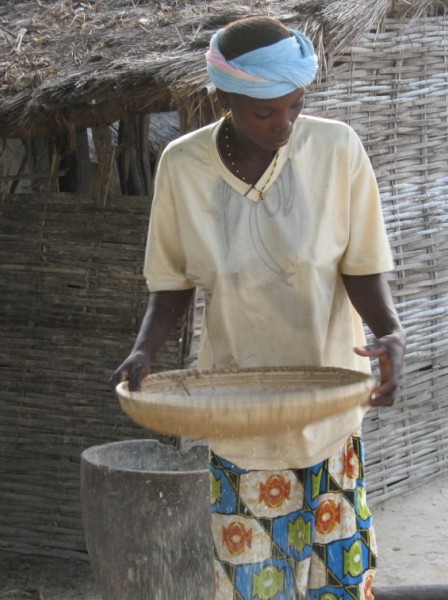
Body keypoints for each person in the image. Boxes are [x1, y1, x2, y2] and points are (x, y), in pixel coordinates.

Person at [110, 15, 405, 599]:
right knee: (254, 588)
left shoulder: (336, 149)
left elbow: (360, 263)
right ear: (223, 99)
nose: (284, 124)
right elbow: (172, 281)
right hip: (238, 413)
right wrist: (144, 348)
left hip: (328, 412)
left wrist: (389, 330)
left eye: (295, 106)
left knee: (340, 586)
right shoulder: (183, 166)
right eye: (264, 112)